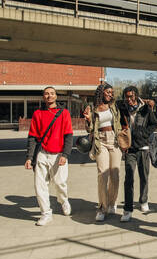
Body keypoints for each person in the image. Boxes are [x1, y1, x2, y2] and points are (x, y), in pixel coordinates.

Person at [24, 86, 73, 226]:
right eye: (46, 94)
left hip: (58, 154)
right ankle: (46, 213)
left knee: (60, 183)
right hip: (42, 154)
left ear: (56, 96)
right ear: (43, 97)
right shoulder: (38, 113)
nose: (49, 96)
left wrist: (65, 154)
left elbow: (68, 135)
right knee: (40, 185)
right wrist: (29, 157)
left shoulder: (64, 113)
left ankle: (64, 201)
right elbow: (32, 137)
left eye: (52, 93)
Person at [83, 83, 124, 222]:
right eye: (108, 92)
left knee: (115, 174)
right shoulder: (93, 108)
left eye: (112, 92)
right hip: (100, 141)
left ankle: (112, 203)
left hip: (114, 140)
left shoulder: (114, 106)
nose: (110, 94)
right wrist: (88, 119)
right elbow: (89, 129)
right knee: (103, 174)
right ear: (101, 93)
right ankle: (102, 207)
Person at [118, 86, 157, 222]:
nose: (129, 99)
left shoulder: (145, 109)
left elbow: (154, 124)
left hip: (144, 148)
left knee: (144, 176)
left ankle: (143, 201)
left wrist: (144, 134)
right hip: (130, 149)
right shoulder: (122, 108)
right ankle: (127, 209)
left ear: (136, 96)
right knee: (128, 178)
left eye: (131, 96)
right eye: (127, 96)